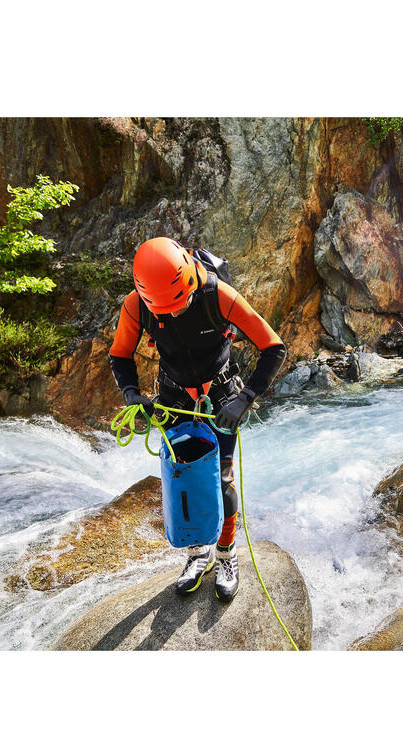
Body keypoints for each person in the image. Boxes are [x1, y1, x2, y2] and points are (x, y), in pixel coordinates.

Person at [108, 237, 286, 601]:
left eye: (179, 305)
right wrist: (131, 395)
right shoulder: (136, 306)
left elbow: (273, 347)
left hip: (221, 397)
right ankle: (197, 554)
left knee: (221, 481)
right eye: (165, 311)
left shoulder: (217, 295)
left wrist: (246, 398)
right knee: (183, 483)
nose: (173, 315)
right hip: (174, 399)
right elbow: (120, 355)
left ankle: (226, 555)